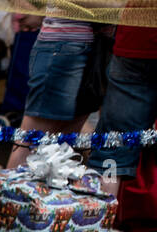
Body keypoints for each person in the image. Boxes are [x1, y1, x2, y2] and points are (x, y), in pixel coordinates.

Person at [7, 16, 102, 168]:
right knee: (29, 146)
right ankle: (10, 191)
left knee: (62, 149)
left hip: (93, 46)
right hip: (63, 44)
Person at [88, 24, 157, 198]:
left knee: (112, 151)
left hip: (135, 42)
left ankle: (97, 221)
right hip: (132, 48)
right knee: (112, 149)